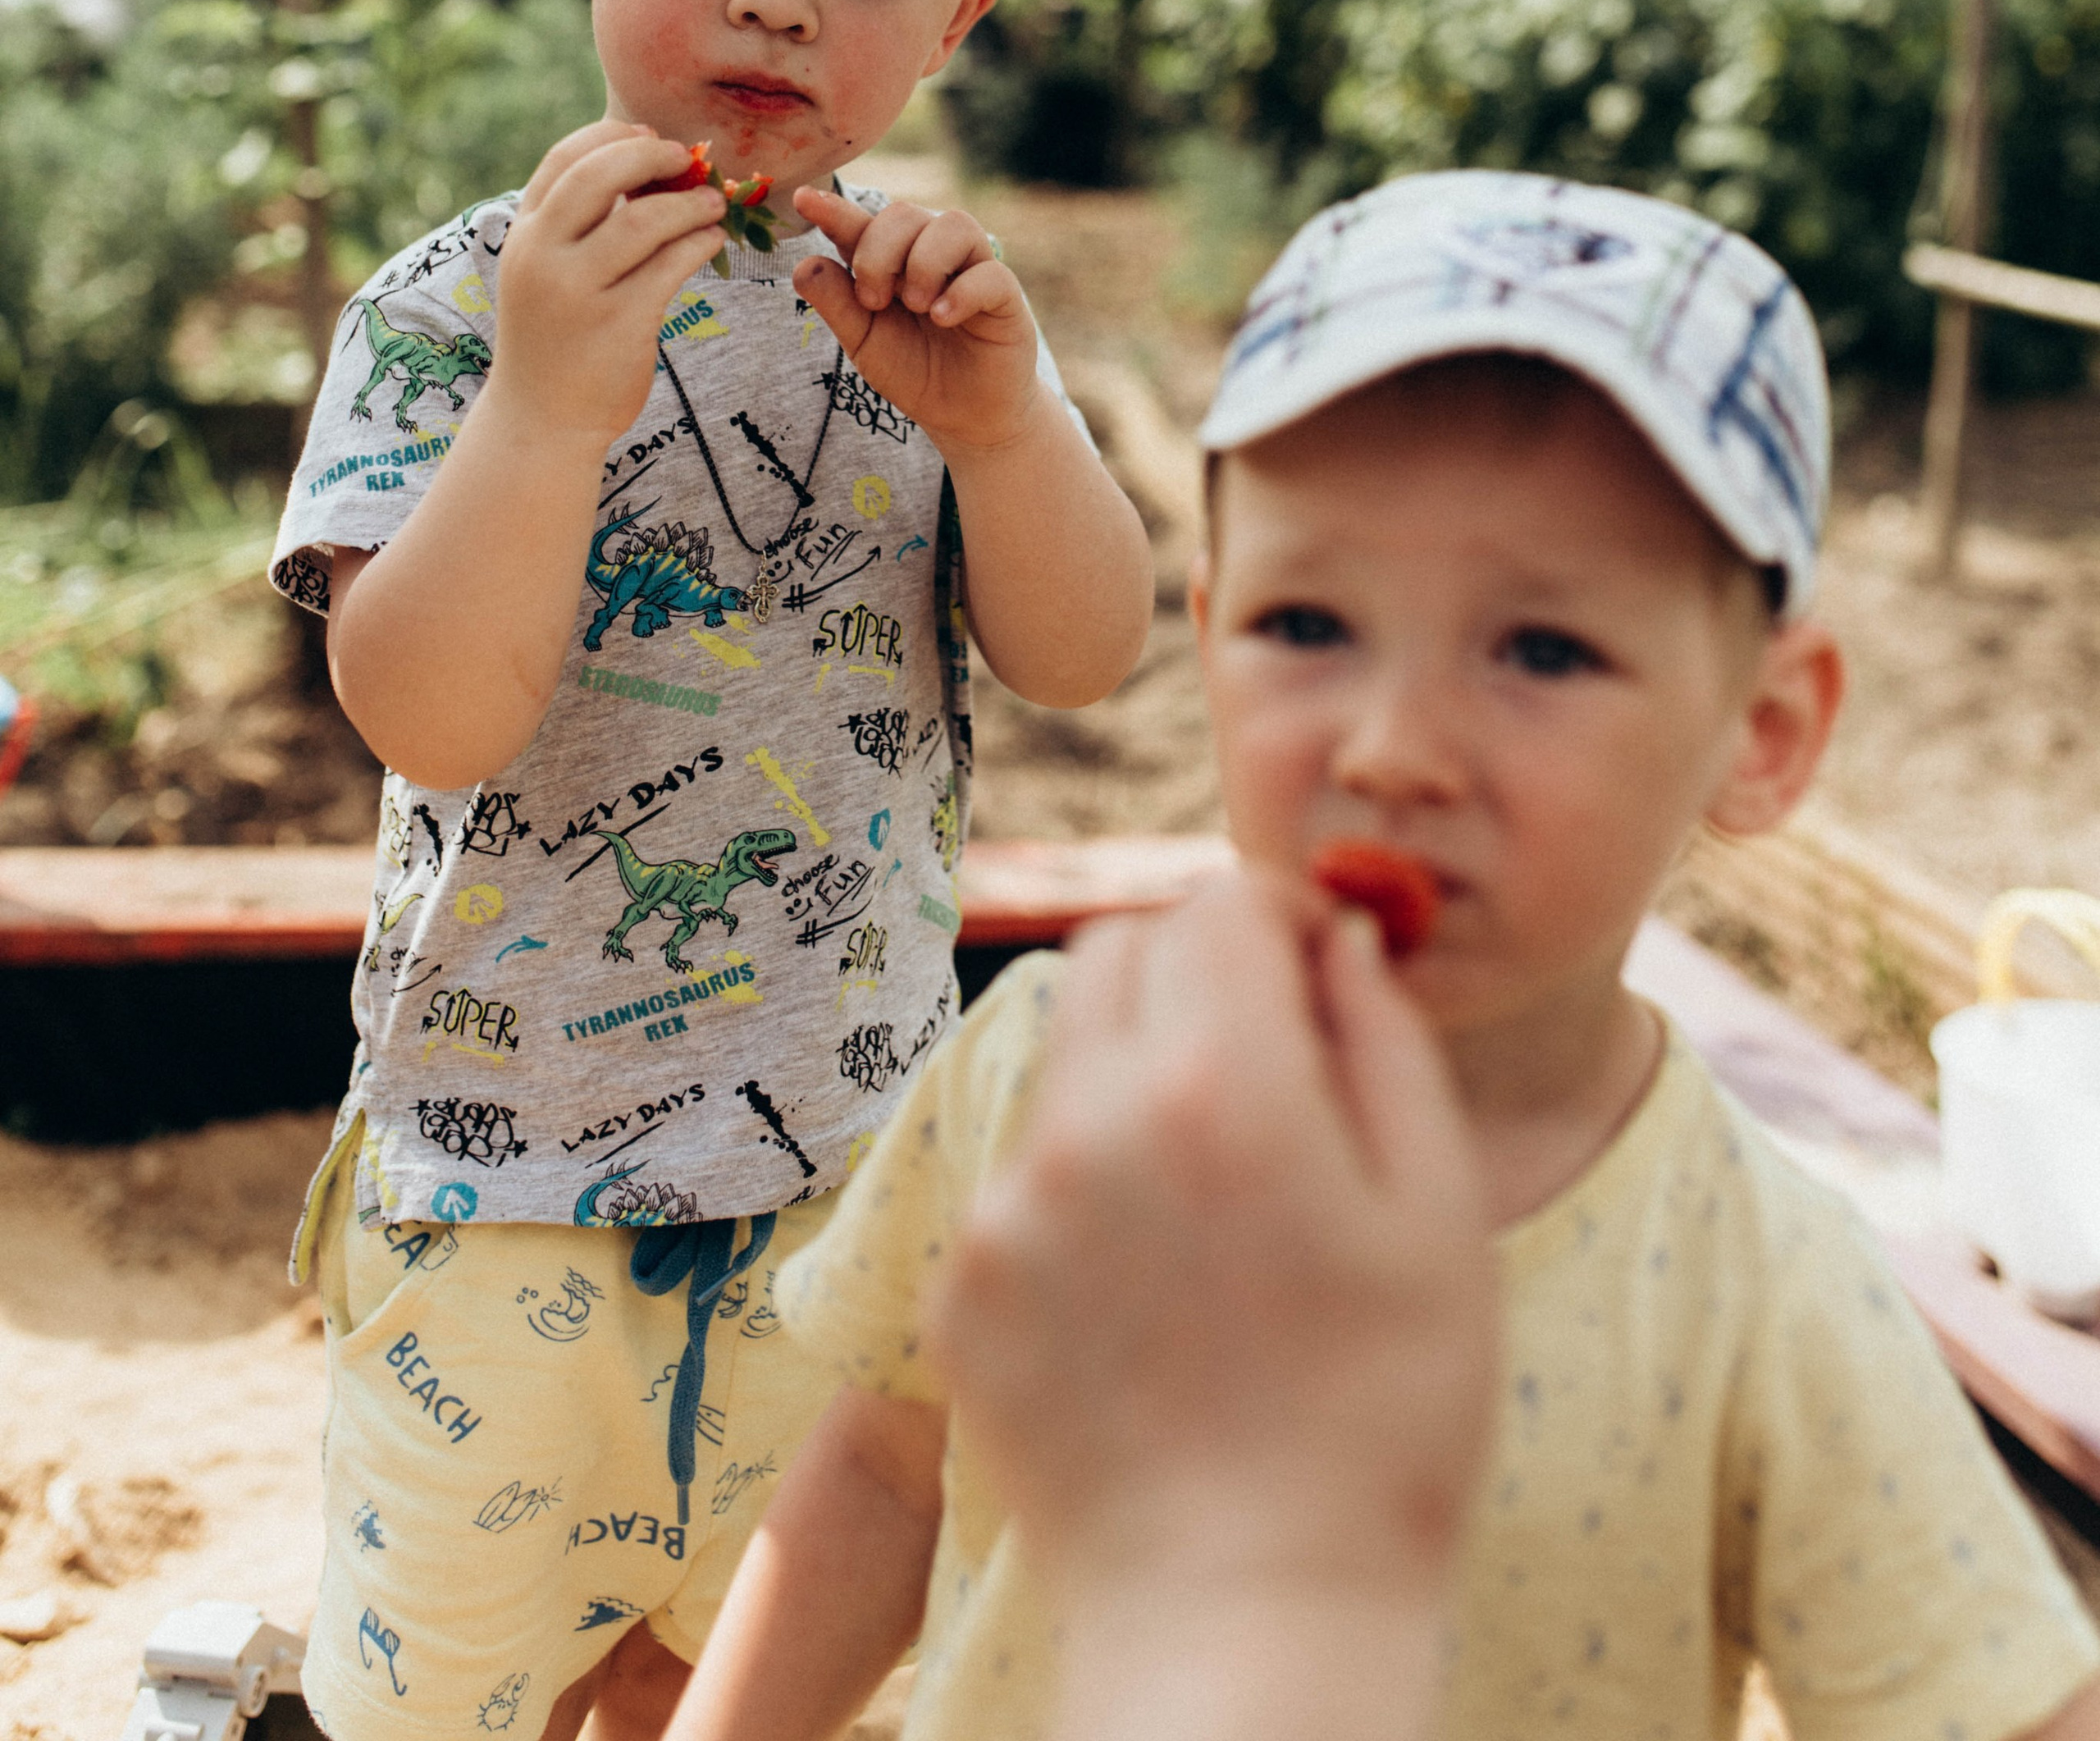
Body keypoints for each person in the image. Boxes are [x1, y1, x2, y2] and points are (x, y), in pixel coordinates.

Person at [671, 170, 2100, 1741]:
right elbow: (886, 1470)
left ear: (1759, 733)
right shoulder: (1053, 1070)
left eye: (1542, 649)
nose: (1395, 748)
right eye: (1308, 625)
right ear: (1208, 632)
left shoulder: (1759, 1283)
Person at [268, 0, 1154, 1741]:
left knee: (753, 1678)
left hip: (842, 1194)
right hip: (501, 1192)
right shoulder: (458, 309)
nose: (779, 0)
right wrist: (549, 404)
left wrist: (1010, 429)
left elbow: (1091, 652)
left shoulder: (937, 324)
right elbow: (424, 706)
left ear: (959, 14)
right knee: (449, 1690)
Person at [928, 869, 1499, 1741]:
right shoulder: (1052, 1052)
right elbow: (881, 1462)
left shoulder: (1756, 1261)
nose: (1381, 752)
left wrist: (1238, 1571)